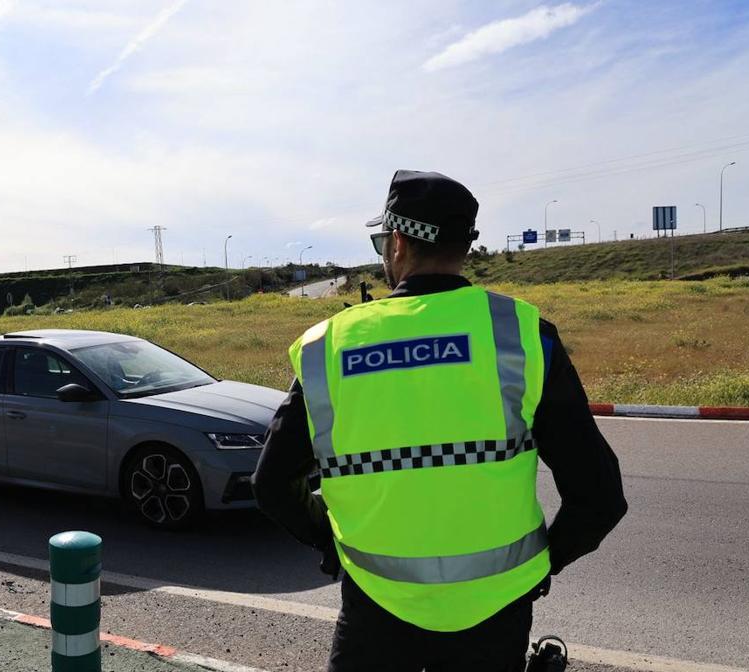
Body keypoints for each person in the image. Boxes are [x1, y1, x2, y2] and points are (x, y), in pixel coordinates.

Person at [253, 170, 627, 671]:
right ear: (464, 246)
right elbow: (600, 497)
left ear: (399, 242)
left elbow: (272, 484)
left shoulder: (330, 347)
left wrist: (330, 541)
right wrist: (539, 564)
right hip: (497, 611)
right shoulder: (520, 336)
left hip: (375, 605)